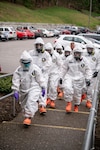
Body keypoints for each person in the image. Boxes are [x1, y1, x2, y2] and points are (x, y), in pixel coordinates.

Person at [12, 51, 46, 126]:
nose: (26, 64)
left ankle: (28, 117)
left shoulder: (35, 68)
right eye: (24, 63)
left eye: (27, 62)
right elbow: (16, 80)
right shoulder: (19, 70)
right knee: (24, 104)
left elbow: (40, 78)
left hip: (34, 87)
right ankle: (28, 114)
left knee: (30, 101)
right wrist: (15, 90)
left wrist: (43, 86)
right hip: (23, 89)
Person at [59, 46, 92, 113]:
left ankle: (76, 105)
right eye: (76, 53)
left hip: (80, 78)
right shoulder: (69, 59)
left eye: (79, 53)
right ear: (73, 53)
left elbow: (88, 70)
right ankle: (69, 103)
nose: (77, 55)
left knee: (77, 93)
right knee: (68, 88)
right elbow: (64, 68)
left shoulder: (84, 60)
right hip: (70, 76)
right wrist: (61, 77)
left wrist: (88, 78)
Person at [29, 37, 52, 113]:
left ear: (43, 45)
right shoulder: (31, 53)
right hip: (33, 76)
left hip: (43, 75)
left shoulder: (46, 54)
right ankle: (34, 104)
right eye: (37, 45)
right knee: (33, 90)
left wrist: (43, 68)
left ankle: (42, 106)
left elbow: (49, 63)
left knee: (43, 89)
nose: (39, 47)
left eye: (40, 45)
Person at [45, 42, 63, 108]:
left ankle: (52, 100)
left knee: (53, 86)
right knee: (45, 87)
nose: (48, 52)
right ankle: (47, 99)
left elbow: (60, 65)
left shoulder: (56, 55)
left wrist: (60, 76)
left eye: (49, 50)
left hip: (54, 73)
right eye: (46, 50)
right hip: (46, 73)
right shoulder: (43, 55)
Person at [83, 43, 100, 108]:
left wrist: (96, 71)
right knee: (83, 87)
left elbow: (99, 63)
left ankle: (89, 101)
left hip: (93, 73)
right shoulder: (84, 53)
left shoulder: (97, 54)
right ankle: (82, 95)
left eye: (91, 49)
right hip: (85, 73)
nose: (89, 50)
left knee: (90, 88)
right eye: (88, 49)